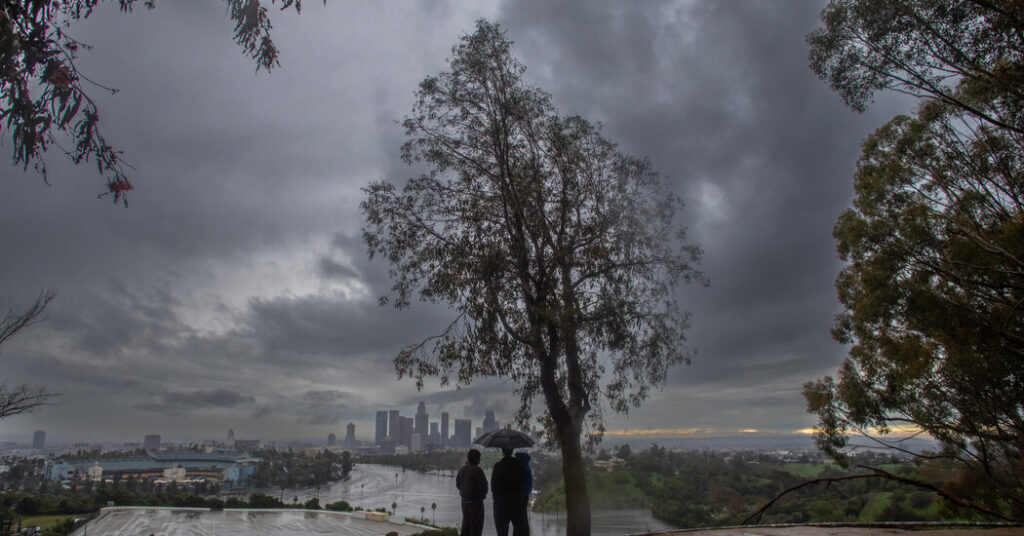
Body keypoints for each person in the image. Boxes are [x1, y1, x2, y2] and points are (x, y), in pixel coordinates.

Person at [491, 448, 525, 536]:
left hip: (501, 503)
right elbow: (523, 483)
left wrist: (496, 500)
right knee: (518, 529)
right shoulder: (519, 465)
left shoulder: (498, 466)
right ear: (512, 451)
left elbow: (493, 486)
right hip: (517, 502)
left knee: (502, 531)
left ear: (502, 452)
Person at [456, 448, 488, 536]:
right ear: (475, 458)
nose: (480, 460)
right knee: (476, 527)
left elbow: (458, 484)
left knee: (465, 525)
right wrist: (481, 496)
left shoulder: (462, 470)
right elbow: (484, 487)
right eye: (479, 458)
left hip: (464, 502)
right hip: (476, 503)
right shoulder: (478, 471)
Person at [514, 452, 532, 535]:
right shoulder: (527, 468)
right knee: (523, 517)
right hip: (525, 494)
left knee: (520, 518)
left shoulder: (523, 469)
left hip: (522, 495)